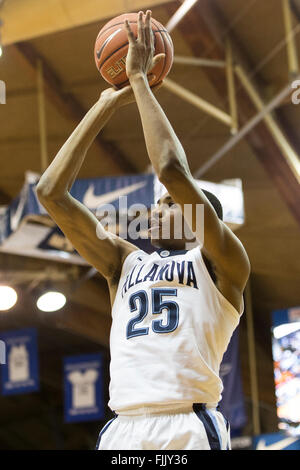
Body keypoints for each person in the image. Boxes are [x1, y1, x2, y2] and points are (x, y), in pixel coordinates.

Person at [36, 10, 250, 450]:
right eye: (156, 205)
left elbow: (171, 169)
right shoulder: (124, 262)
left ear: (199, 220)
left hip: (187, 425)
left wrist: (138, 80)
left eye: (170, 206)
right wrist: (104, 104)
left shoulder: (220, 263)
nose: (155, 211)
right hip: (123, 429)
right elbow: (50, 193)